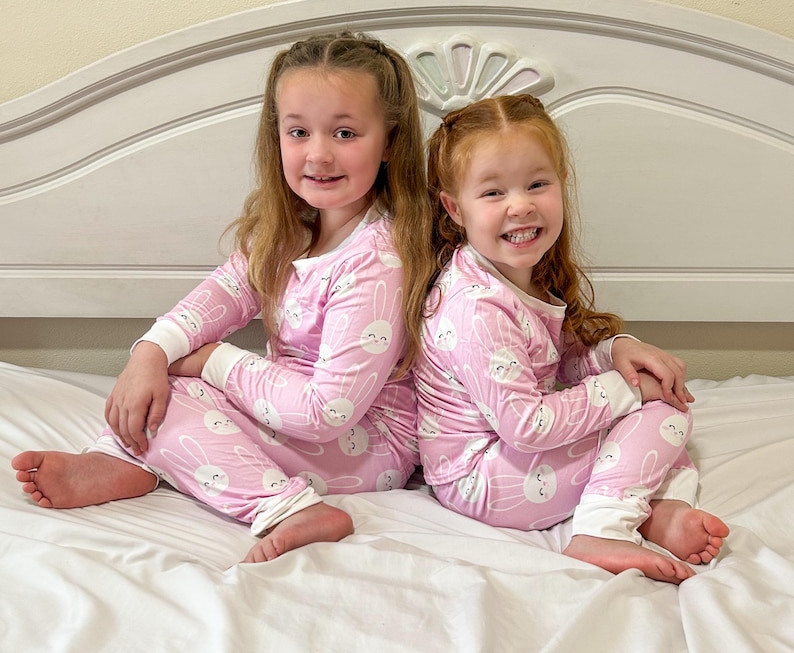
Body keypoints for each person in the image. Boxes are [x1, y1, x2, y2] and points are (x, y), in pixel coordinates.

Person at [13, 31, 436, 564]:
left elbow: (327, 411)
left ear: (390, 143)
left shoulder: (379, 257)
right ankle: (125, 459)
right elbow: (220, 296)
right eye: (299, 131)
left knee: (180, 392)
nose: (319, 153)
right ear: (276, 136)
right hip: (289, 410)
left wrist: (213, 359)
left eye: (346, 132)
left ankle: (286, 507)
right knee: (162, 386)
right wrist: (150, 352)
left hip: (366, 439)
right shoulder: (289, 230)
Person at [414, 94, 729, 584]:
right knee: (662, 413)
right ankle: (602, 530)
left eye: (537, 184)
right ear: (455, 209)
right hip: (478, 477)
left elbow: (555, 361)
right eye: (493, 193)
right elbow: (528, 426)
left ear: (561, 185)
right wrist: (629, 391)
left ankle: (656, 510)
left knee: (651, 424)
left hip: (501, 461)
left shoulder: (522, 275)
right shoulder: (474, 307)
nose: (521, 205)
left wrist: (614, 351)